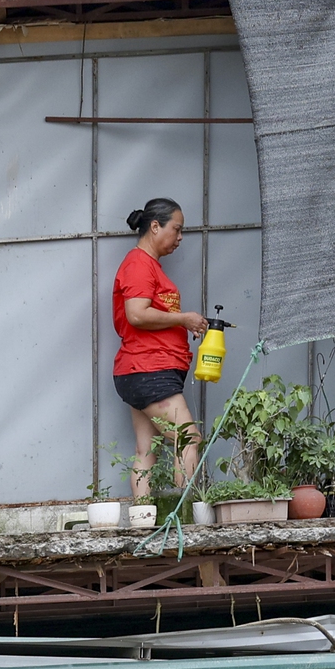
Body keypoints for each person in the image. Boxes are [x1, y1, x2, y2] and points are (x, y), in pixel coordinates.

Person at [112, 198, 208, 494]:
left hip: (140, 370)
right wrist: (184, 319)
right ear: (155, 226)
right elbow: (137, 314)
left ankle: (144, 521)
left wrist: (183, 324)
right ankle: (184, 522)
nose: (180, 238)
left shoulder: (148, 265)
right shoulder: (139, 264)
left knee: (146, 450)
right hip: (149, 370)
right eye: (176, 230)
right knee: (188, 439)